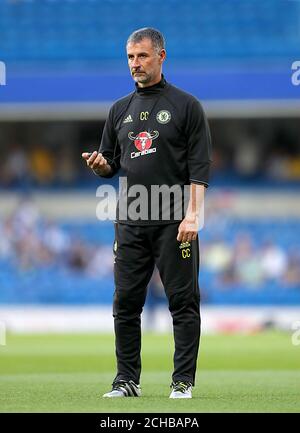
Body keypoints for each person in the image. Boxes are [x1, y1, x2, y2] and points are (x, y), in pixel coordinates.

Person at [82, 28, 212, 399]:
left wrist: (193, 216)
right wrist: (100, 166)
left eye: (141, 56)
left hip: (175, 221)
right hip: (131, 219)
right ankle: (126, 380)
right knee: (125, 302)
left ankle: (182, 381)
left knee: (183, 303)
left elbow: (199, 168)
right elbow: (112, 163)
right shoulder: (118, 110)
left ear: (161, 56)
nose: (135, 64)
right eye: (129, 57)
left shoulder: (187, 106)